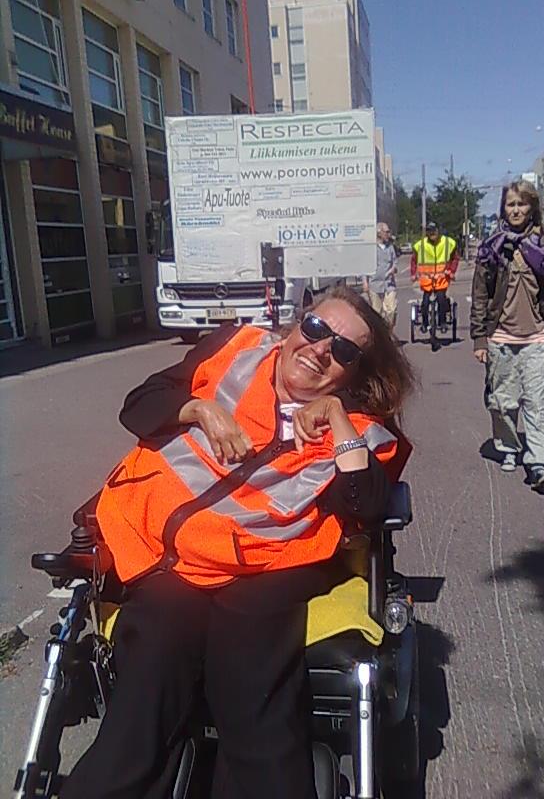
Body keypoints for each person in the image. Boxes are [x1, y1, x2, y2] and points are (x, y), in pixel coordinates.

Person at [60, 286, 414, 799]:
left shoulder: (358, 426)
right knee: (153, 656)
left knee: (250, 675)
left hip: (269, 563)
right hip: (176, 555)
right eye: (315, 329)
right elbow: (139, 406)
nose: (320, 350)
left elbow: (368, 505)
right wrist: (199, 410)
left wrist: (338, 420)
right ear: (295, 327)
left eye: (343, 351)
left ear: (353, 373)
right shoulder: (234, 351)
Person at [470, 180, 544, 491]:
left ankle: (541, 463)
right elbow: (480, 294)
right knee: (503, 403)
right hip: (501, 338)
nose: (515, 210)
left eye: (521, 204)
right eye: (510, 204)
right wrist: (480, 338)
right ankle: (509, 447)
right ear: (503, 209)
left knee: (538, 404)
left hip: (536, 338)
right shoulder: (492, 248)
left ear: (531, 208)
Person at [411, 222, 459, 333]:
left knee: (441, 299)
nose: (431, 233)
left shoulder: (448, 243)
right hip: (427, 280)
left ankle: (442, 322)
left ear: (438, 231)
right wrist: (413, 274)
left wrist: (451, 271)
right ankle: (424, 323)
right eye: (429, 231)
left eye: (434, 230)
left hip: (442, 278)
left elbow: (455, 258)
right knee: (425, 302)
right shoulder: (420, 245)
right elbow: (413, 260)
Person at [362, 222, 398, 328]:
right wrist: (365, 282)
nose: (388, 234)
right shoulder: (371, 249)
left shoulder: (390, 247)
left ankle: (389, 330)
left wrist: (393, 269)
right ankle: (381, 333)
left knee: (391, 309)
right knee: (377, 312)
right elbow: (365, 266)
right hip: (375, 283)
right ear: (379, 233)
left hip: (389, 284)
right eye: (386, 232)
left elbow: (395, 262)